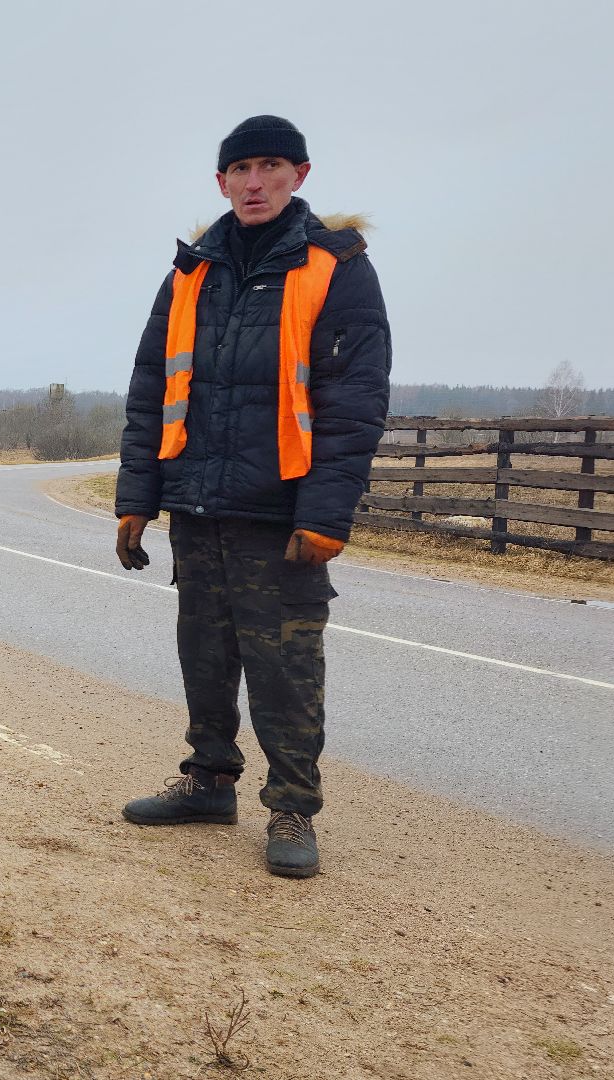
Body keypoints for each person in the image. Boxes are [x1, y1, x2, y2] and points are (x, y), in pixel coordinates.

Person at [115, 116, 392, 878]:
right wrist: (135, 497)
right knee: (203, 652)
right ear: (220, 184)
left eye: (269, 166)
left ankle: (292, 805)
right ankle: (207, 781)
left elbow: (354, 402)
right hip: (198, 503)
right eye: (239, 169)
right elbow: (150, 391)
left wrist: (326, 515)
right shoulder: (188, 273)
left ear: (298, 175)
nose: (254, 181)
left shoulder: (335, 268)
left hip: (282, 511)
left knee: (284, 666)